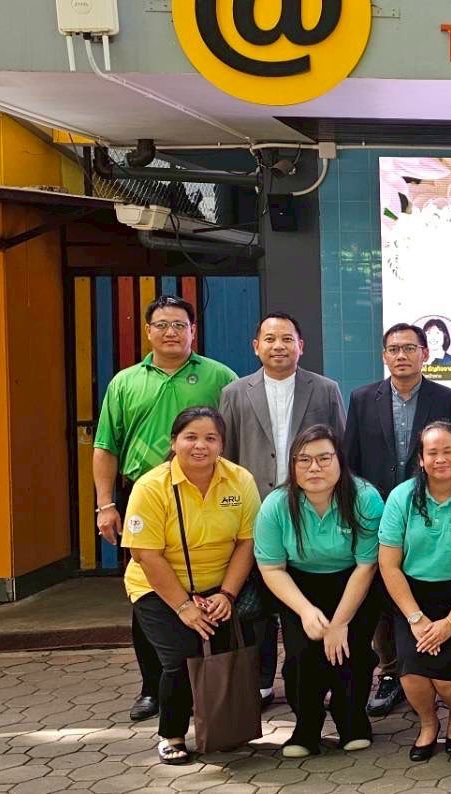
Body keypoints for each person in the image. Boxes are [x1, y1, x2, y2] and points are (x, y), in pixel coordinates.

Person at [94, 294, 238, 723]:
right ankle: (152, 686)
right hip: (145, 494)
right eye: (162, 325)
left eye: (180, 325)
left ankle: (215, 683)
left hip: (206, 491)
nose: (171, 332)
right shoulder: (125, 382)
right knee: (150, 590)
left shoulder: (220, 377)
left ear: (193, 331)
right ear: (148, 331)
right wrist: (105, 504)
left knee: (211, 579)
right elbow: (106, 446)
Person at [221, 312, 347, 706]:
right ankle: (261, 681)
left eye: (287, 339)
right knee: (257, 603)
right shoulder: (235, 393)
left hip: (311, 510)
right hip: (255, 512)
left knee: (312, 599)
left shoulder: (325, 389)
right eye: (270, 339)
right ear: (256, 346)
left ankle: (325, 676)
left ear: (300, 346)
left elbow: (339, 449)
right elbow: (227, 455)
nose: (279, 346)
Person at [121, 407, 259, 765]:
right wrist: (183, 606)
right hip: (159, 587)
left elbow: (247, 542)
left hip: (219, 586)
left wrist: (227, 594)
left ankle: (224, 729)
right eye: (191, 437)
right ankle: (172, 734)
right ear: (174, 442)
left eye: (211, 438)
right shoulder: (151, 487)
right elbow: (145, 554)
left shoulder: (240, 480)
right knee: (183, 657)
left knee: (226, 655)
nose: (201, 446)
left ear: (222, 445)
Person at [343, 323, 451, 718]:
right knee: (383, 590)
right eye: (394, 349)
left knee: (427, 586)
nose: (401, 356)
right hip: (379, 510)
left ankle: (431, 667)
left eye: (409, 348)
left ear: (424, 354)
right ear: (384, 355)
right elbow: (351, 459)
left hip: (431, 510)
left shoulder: (448, 399)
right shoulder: (363, 399)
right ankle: (391, 671)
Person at [253, 425, 382, 758]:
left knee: (351, 651)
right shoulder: (276, 505)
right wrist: (306, 610)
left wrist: (340, 622)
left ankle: (352, 721)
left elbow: (367, 565)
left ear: (340, 461)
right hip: (298, 586)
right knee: (302, 655)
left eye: (324, 458)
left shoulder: (365, 498)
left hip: (353, 580)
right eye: (304, 460)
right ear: (292, 465)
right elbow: (272, 568)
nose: (314, 468)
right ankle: (306, 726)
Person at [378, 422, 451, 761]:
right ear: (420, 458)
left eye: (448, 451)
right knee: (413, 675)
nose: (440, 459)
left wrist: (450, 623)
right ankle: (428, 723)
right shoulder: (402, 497)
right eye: (432, 452)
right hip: (411, 595)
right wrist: (416, 618)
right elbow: (388, 564)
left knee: (446, 679)